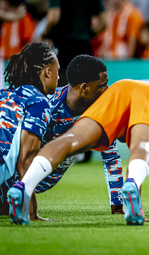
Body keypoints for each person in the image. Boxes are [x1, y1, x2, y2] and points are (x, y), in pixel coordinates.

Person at [7, 60, 149, 225]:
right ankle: (132, 185)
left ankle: (24, 186)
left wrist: (131, 209)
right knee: (144, 146)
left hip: (124, 87)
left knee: (71, 138)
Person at [35, 55, 123, 214]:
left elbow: (111, 158)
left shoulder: (100, 114)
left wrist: (117, 207)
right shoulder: (45, 109)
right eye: (103, 85)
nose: (108, 90)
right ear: (84, 88)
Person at [0, 42, 59, 220]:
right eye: (57, 71)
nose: (59, 78)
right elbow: (26, 161)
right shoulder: (39, 102)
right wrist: (32, 213)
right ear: (47, 72)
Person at [40, 0, 105, 86]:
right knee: (83, 85)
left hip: (63, 46)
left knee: (63, 86)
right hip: (84, 45)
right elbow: (104, 22)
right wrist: (89, 35)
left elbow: (54, 17)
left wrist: (45, 35)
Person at [0, 0, 26, 95]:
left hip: (13, 59)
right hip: (3, 58)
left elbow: (29, 39)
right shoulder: (4, 18)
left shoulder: (24, 18)